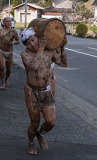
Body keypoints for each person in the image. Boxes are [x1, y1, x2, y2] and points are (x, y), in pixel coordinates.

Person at [20, 27, 67, 155]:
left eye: (33, 40)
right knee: (34, 123)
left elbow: (63, 63)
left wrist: (62, 47)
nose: (32, 44)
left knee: (51, 122)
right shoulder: (25, 54)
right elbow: (34, 65)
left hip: (46, 91)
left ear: (37, 38)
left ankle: (40, 134)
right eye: (28, 43)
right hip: (32, 92)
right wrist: (41, 47)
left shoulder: (49, 52)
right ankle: (30, 141)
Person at [0, 17, 20, 90]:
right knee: (2, 67)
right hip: (2, 52)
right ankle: (2, 81)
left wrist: (14, 42)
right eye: (7, 21)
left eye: (10, 21)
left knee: (9, 70)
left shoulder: (13, 31)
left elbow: (18, 41)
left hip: (10, 53)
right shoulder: (0, 31)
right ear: (3, 22)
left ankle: (6, 79)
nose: (9, 22)